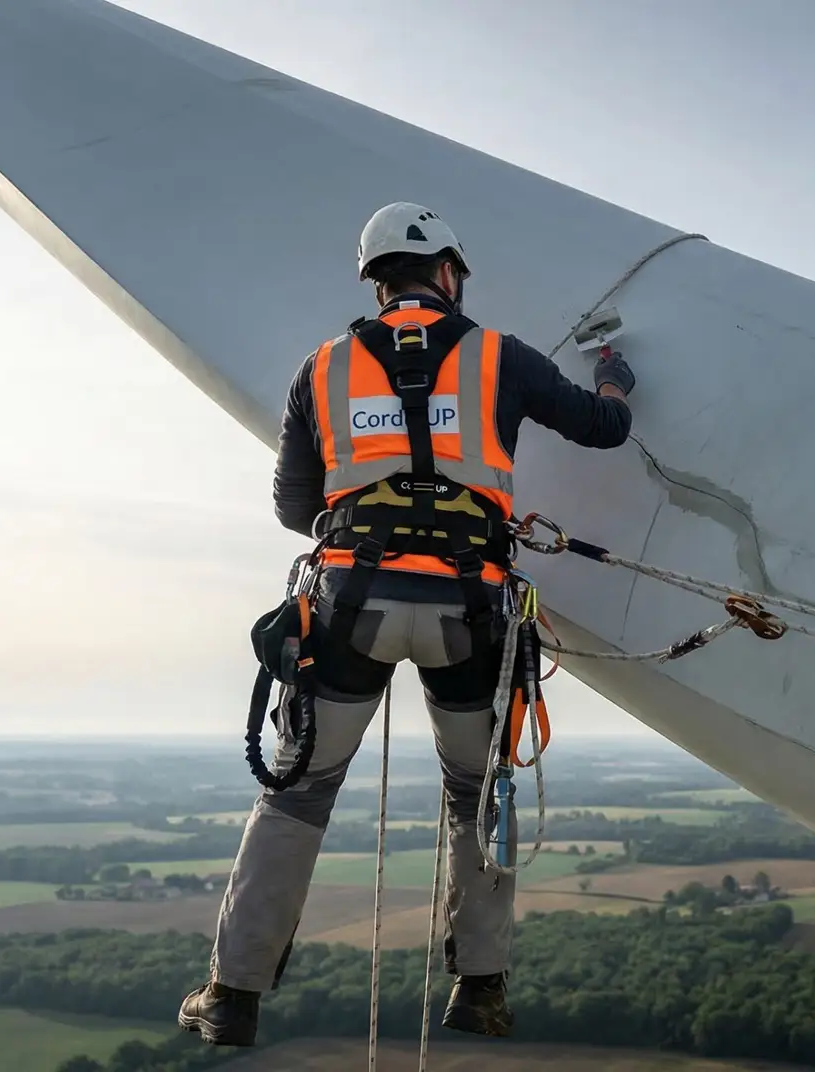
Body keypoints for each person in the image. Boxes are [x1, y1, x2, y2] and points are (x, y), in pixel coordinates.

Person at [178, 201, 636, 1046]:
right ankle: (482, 990)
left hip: (352, 601)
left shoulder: (321, 368)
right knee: (474, 794)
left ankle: (233, 995)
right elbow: (605, 429)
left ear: (377, 279)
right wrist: (615, 374)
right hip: (471, 605)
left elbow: (292, 507)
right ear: (448, 272)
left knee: (299, 794)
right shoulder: (500, 357)